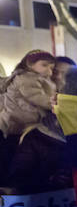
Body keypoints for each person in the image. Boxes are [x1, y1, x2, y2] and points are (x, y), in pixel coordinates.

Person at [0, 51, 63, 191]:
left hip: (26, 124)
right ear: (30, 65)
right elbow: (36, 97)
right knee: (14, 156)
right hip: (16, 124)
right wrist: (57, 105)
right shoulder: (27, 79)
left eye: (51, 67)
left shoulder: (41, 79)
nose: (49, 70)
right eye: (44, 65)